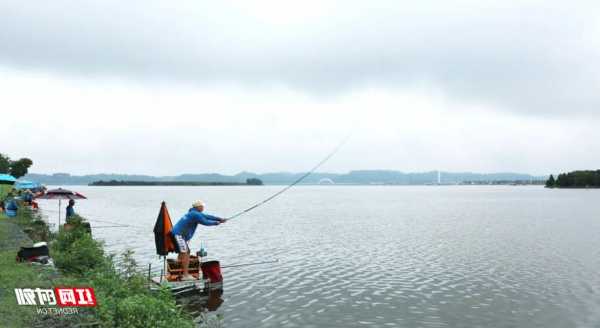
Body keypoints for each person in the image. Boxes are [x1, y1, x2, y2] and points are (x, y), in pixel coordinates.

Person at [171, 200, 226, 281]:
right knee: (185, 252)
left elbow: (207, 216)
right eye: (202, 206)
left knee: (185, 252)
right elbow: (205, 221)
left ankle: (179, 271)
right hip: (178, 235)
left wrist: (219, 219)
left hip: (177, 234)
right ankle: (185, 276)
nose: (203, 207)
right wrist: (216, 223)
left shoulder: (194, 213)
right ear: (198, 207)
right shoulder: (195, 214)